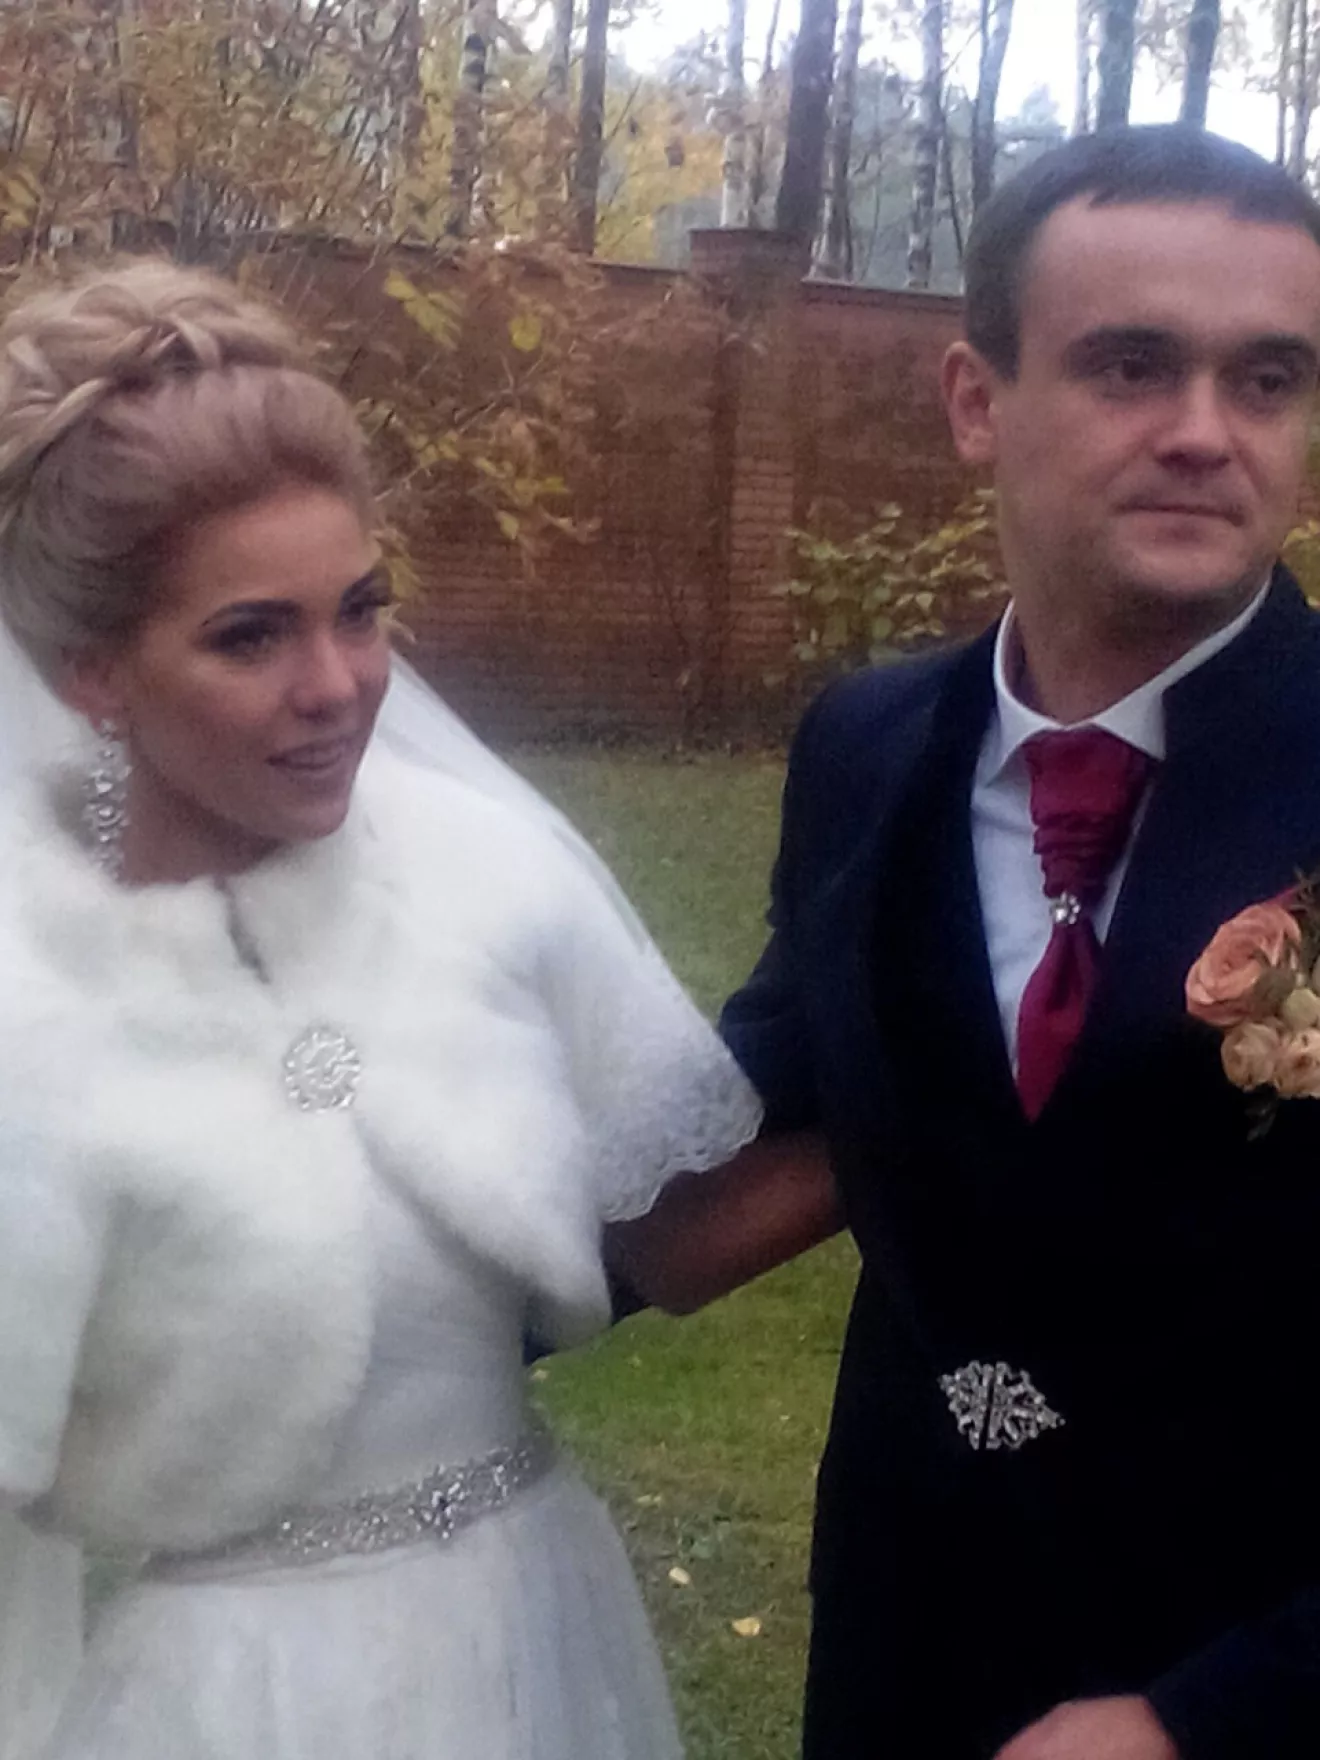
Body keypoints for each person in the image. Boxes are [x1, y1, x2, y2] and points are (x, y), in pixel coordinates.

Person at [0, 260, 837, 1760]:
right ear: (93, 673)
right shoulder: (32, 1000)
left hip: (538, 1620)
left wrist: (997, 1079)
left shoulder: (484, 876)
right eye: (251, 636)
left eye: (361, 611)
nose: (339, 686)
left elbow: (669, 1229)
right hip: (241, 1700)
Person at [720, 124, 1320, 1759]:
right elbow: (762, 1106)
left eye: (1267, 380)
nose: (1203, 432)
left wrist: (1212, 1718)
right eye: (1133, 365)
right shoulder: (865, 746)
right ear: (975, 401)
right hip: (911, 1650)